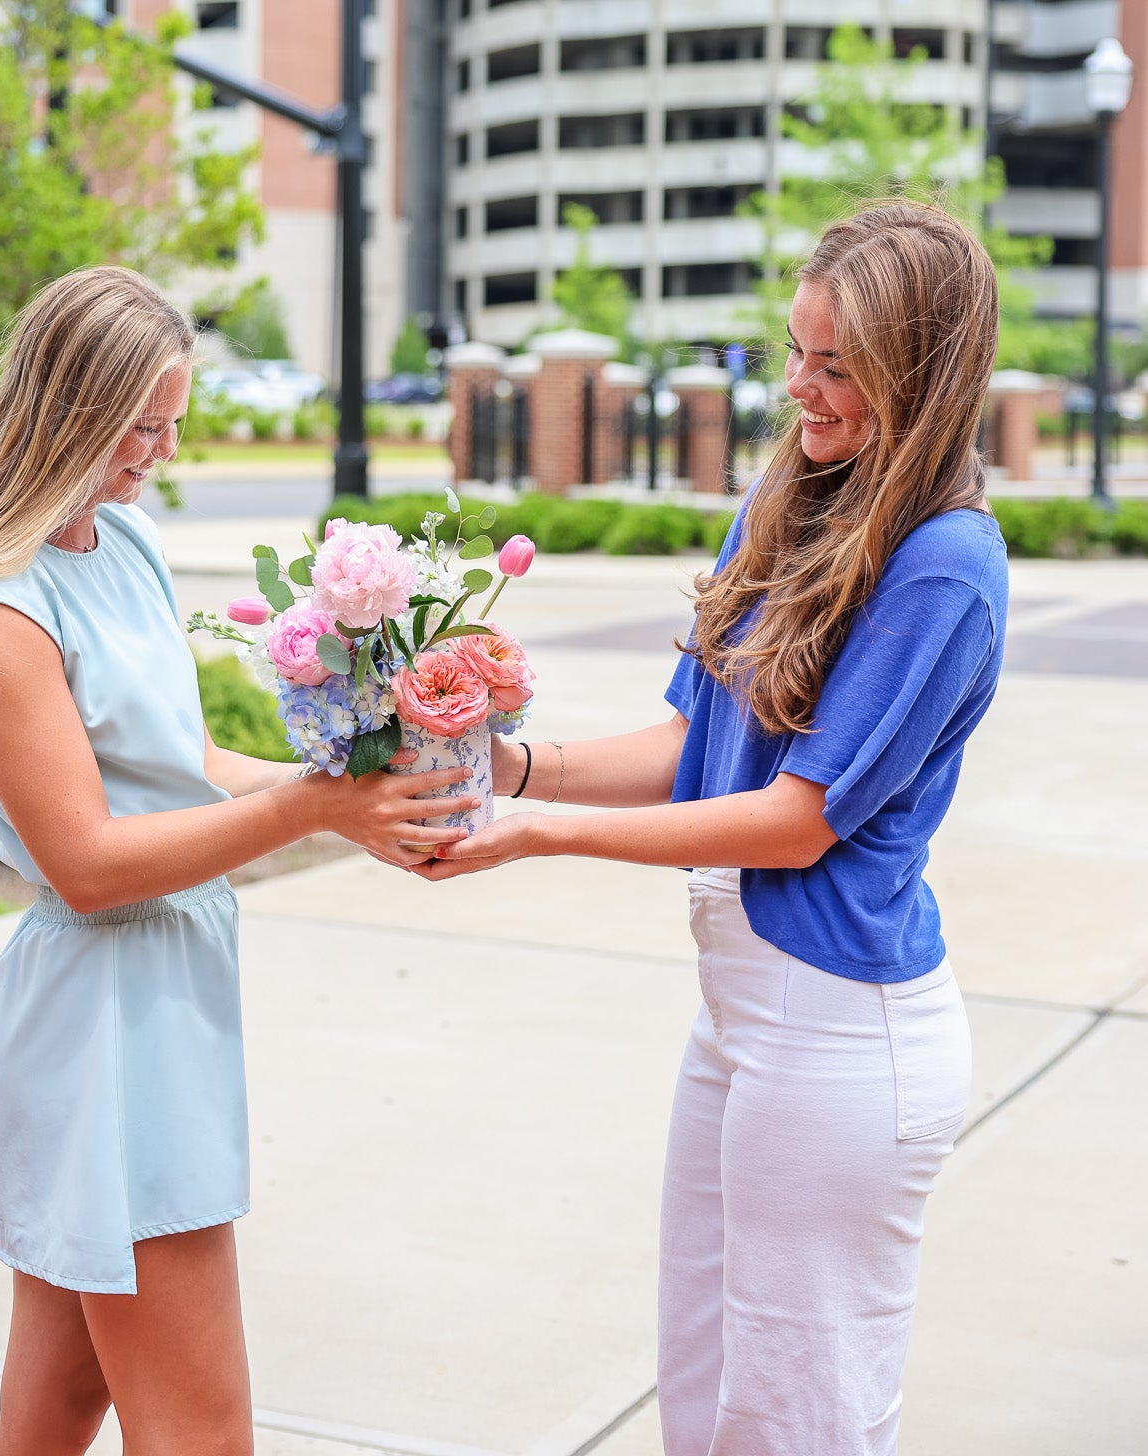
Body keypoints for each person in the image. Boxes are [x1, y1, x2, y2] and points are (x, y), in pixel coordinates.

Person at [427, 202, 1008, 1456]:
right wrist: (510, 769)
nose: (800, 386)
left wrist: (542, 841)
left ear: (922, 370)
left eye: (837, 364)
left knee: (796, 1420)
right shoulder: (789, 500)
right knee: (702, 1396)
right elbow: (696, 747)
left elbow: (796, 823)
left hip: (845, 1029)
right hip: (742, 1012)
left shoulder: (946, 562)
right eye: (792, 351)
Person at [0, 265, 467, 1456]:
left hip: (166, 994)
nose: (156, 449)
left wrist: (374, 792)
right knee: (202, 1430)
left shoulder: (129, 544)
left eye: (172, 423)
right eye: (135, 425)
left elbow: (189, 760)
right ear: (63, 409)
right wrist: (316, 807)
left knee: (53, 1408)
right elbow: (91, 860)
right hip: (104, 1021)